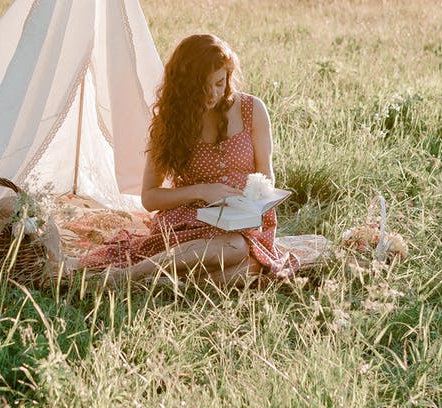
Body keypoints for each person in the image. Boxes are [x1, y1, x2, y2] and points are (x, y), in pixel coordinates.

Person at [79, 33, 300, 285]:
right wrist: (203, 191)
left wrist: (254, 201)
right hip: (190, 220)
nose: (213, 94)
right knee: (236, 250)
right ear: (185, 86)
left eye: (220, 83)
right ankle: (129, 276)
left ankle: (167, 282)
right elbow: (150, 198)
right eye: (203, 87)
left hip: (243, 220)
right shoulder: (172, 122)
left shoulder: (252, 109)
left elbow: (266, 175)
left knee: (253, 264)